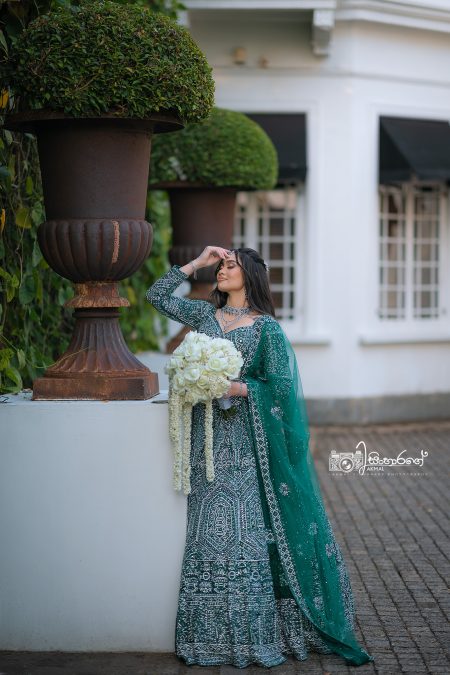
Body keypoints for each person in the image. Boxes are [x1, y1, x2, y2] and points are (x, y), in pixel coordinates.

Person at [146, 246, 374, 668]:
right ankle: (207, 635)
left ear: (249, 276)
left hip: (246, 446)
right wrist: (196, 262)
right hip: (205, 443)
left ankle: (256, 634)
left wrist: (238, 388)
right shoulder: (204, 315)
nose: (221, 270)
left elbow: (281, 387)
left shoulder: (266, 329)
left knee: (245, 533)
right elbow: (156, 297)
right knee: (206, 533)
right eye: (220, 265)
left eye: (229, 266)